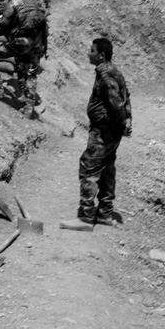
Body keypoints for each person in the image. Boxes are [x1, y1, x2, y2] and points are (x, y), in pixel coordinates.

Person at [60, 38, 132, 232]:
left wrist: (121, 123)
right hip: (112, 132)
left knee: (89, 168)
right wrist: (127, 122)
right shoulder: (114, 71)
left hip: (104, 131)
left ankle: (85, 217)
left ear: (101, 55)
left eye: (91, 50)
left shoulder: (105, 74)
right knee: (108, 168)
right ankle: (105, 214)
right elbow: (127, 97)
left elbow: (117, 103)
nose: (88, 53)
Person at [0, 0, 48, 118]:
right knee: (28, 72)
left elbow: (3, 25)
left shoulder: (16, 3)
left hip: (21, 43)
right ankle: (28, 108)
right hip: (37, 44)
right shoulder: (37, 3)